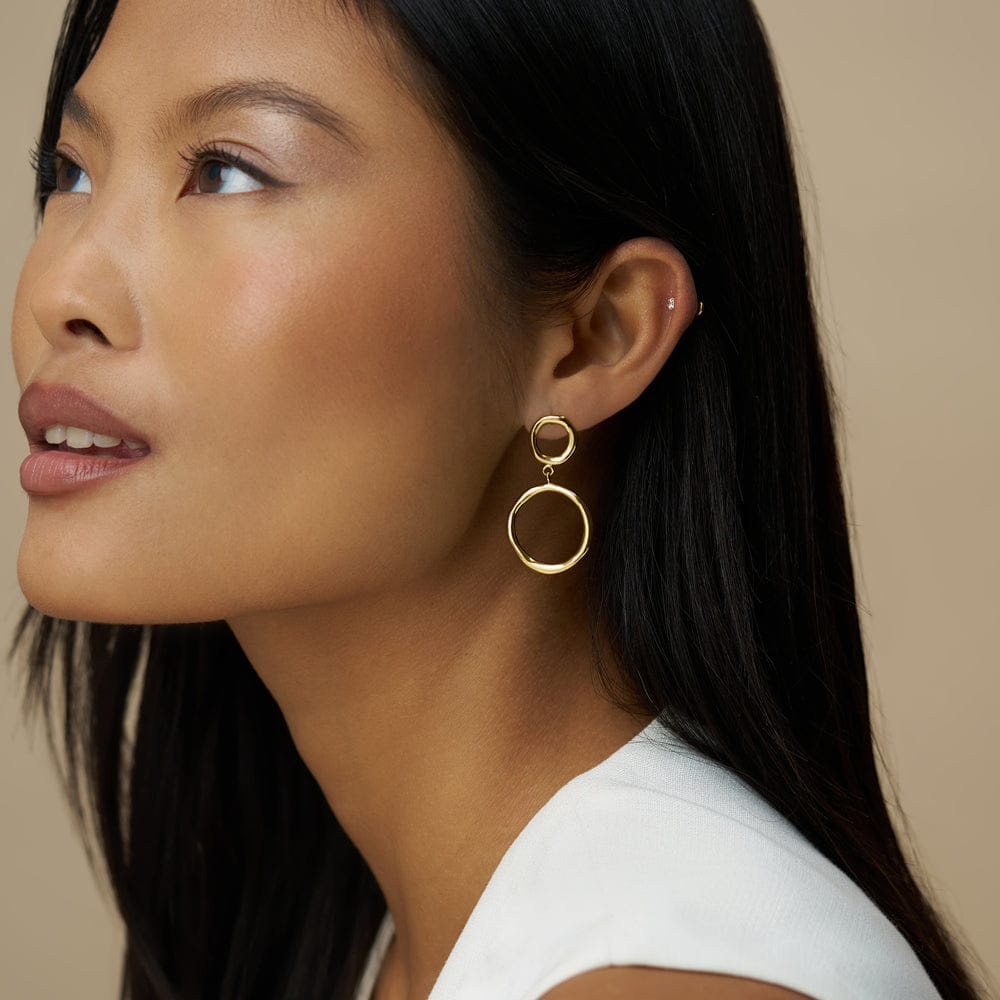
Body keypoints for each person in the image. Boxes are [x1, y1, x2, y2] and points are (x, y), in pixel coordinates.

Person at [8, 0, 988, 998]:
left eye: (227, 171)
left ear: (596, 335)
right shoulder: (359, 926)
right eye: (71, 172)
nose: (59, 291)